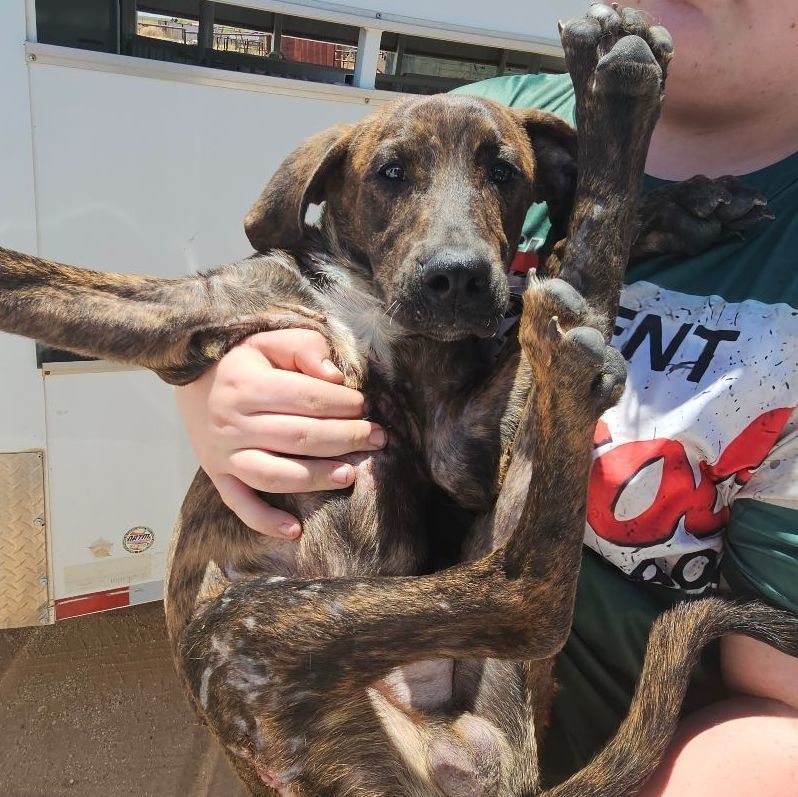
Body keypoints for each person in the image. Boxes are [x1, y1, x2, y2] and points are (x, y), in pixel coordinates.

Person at [175, 1, 798, 793]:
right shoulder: (490, 118)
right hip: (351, 717)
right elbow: (306, 268)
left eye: (502, 182)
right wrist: (217, 380)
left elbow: (782, 709)